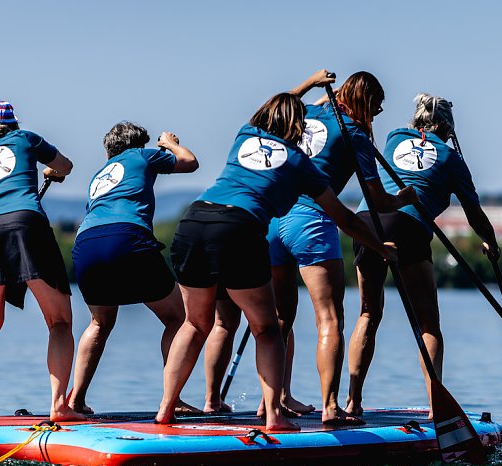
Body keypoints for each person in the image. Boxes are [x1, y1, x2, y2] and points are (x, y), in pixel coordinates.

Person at [155, 71, 396, 431]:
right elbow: (345, 217)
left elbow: (272, 107)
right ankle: (290, 413)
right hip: (253, 227)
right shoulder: (303, 161)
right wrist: (381, 247)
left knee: (196, 323)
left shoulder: (246, 132)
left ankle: (166, 409)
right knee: (284, 325)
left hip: (197, 220)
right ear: (297, 126)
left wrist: (310, 85)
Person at [263, 71, 416, 425]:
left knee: (279, 318)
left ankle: (275, 401)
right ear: (364, 101)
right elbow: (376, 200)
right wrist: (402, 199)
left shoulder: (309, 114)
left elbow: (276, 106)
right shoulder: (356, 135)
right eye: (376, 106)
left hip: (273, 223)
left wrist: (310, 85)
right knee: (330, 319)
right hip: (312, 222)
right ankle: (331, 408)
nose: (377, 114)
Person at [347, 93, 500, 417]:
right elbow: (473, 213)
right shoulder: (451, 158)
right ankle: (436, 407)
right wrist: (491, 243)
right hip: (409, 224)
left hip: (366, 222)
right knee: (428, 322)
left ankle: (352, 402)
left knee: (368, 314)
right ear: (444, 127)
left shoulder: (392, 138)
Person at [0, 100, 84, 422]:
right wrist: (53, 172)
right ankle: (59, 405)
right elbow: (65, 165)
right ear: (12, 122)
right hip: (23, 222)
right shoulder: (26, 139)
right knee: (59, 322)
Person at [68, 122, 199, 415]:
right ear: (138, 145)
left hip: (86, 242)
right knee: (179, 318)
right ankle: (172, 400)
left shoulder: (98, 176)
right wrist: (169, 144)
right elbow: (190, 162)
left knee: (99, 323)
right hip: (127, 236)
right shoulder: (140, 155)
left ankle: (75, 401)